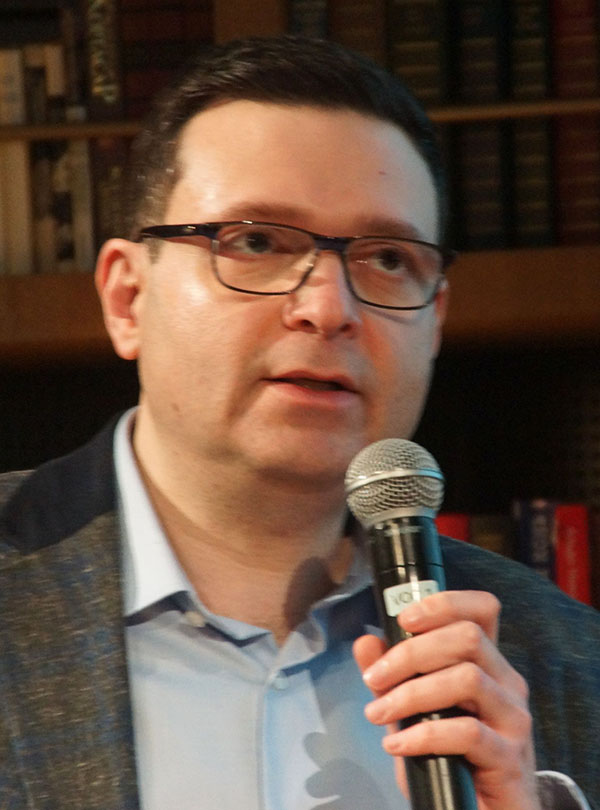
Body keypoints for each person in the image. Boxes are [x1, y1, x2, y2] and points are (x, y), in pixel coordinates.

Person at [1, 35, 599, 810]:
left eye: (388, 259)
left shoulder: (570, 661)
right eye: (255, 242)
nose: (328, 308)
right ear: (127, 298)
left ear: (435, 320)